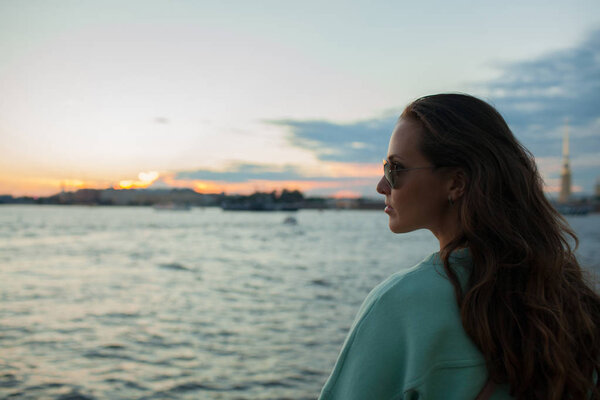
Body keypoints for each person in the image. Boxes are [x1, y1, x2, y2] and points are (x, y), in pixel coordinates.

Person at [318, 93, 600, 400]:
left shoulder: (402, 305)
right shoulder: (568, 297)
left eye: (395, 169)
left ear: (456, 183)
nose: (381, 186)